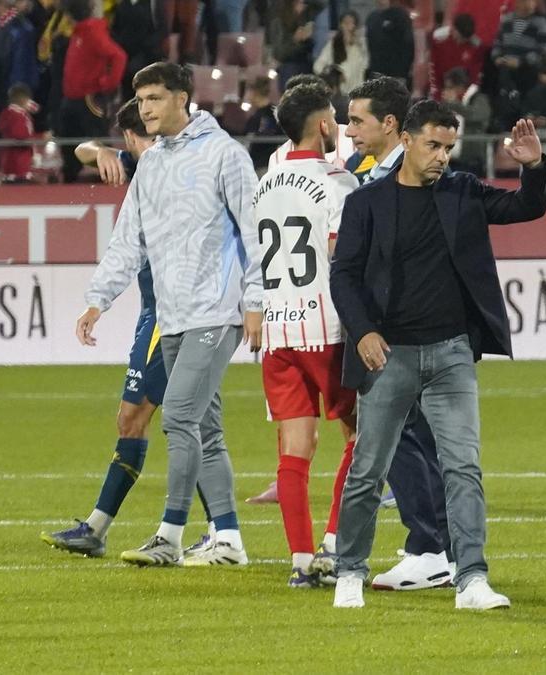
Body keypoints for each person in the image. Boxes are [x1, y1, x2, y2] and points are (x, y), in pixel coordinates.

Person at [329, 104, 546, 610]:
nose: (442, 157)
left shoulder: (463, 191)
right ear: (405, 139)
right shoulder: (367, 203)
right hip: (389, 355)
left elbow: (526, 208)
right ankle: (350, 572)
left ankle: (470, 578)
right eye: (433, 145)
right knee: (368, 469)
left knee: (463, 468)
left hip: (451, 355)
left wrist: (534, 167)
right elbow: (343, 275)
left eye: (449, 147)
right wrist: (362, 331)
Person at [77, 62, 262, 567]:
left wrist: (254, 302)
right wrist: (100, 298)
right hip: (174, 316)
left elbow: (253, 232)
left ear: (184, 98)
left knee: (178, 417)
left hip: (217, 311)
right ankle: (228, 541)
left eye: (156, 98)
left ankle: (170, 535)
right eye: (141, 101)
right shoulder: (154, 163)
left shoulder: (226, 155)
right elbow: (127, 239)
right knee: (204, 428)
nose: (146, 109)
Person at [42, 96, 215, 558]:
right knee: (179, 420)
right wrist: (97, 150)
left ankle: (109, 528)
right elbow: (79, 149)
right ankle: (217, 529)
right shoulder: (140, 163)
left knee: (157, 420)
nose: (125, 150)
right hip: (154, 310)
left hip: (173, 313)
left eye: (127, 141)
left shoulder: (178, 173)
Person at [335, 76, 458, 592]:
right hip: (381, 326)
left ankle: (429, 546)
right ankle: (438, 547)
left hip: (405, 331)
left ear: (391, 126)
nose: (349, 130)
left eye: (358, 120)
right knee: (414, 436)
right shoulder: (359, 173)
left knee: (403, 436)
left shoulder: (419, 178)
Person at [252, 83, 361, 588]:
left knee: (294, 451)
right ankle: (336, 545)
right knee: (361, 436)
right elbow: (344, 258)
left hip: (278, 332)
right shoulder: (339, 183)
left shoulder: (264, 185)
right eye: (335, 118)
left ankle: (300, 562)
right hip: (329, 328)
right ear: (322, 125)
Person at [56, 0, 125, 183]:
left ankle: (111, 175)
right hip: (72, 96)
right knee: (67, 134)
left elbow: (118, 56)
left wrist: (107, 84)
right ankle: (70, 172)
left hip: (87, 98)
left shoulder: (92, 32)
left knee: (97, 136)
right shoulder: (80, 32)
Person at [0, 83, 37, 181]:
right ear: (23, 100)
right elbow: (20, 136)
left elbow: (35, 108)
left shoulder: (8, 113)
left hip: (10, 163)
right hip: (19, 164)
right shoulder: (18, 116)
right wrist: (38, 138)